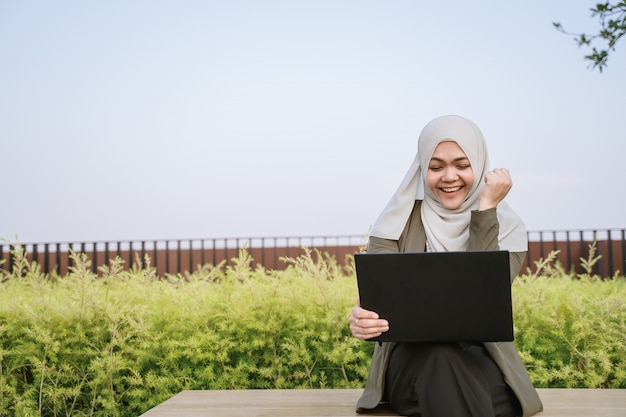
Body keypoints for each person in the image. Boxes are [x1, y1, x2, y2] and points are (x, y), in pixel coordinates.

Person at [349, 115, 543, 417]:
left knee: (455, 384)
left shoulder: (507, 229)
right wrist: (362, 320)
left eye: (462, 166)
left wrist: (486, 210)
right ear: (421, 168)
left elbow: (479, 301)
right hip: (410, 364)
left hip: (480, 361)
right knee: (441, 359)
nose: (449, 176)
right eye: (436, 167)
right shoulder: (394, 226)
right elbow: (377, 307)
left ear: (478, 167)